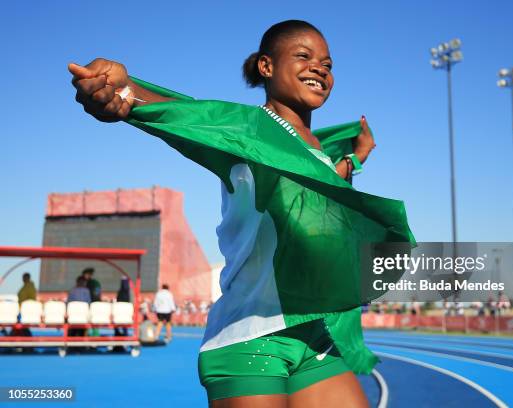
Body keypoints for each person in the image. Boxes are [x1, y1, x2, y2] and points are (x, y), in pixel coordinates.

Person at [69, 20, 415, 407]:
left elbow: (321, 196)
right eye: (303, 56)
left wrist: (355, 158)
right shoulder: (245, 129)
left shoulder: (315, 149)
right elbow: (185, 115)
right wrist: (122, 90)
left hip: (313, 333)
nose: (320, 68)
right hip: (250, 336)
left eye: (328, 64)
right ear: (266, 67)